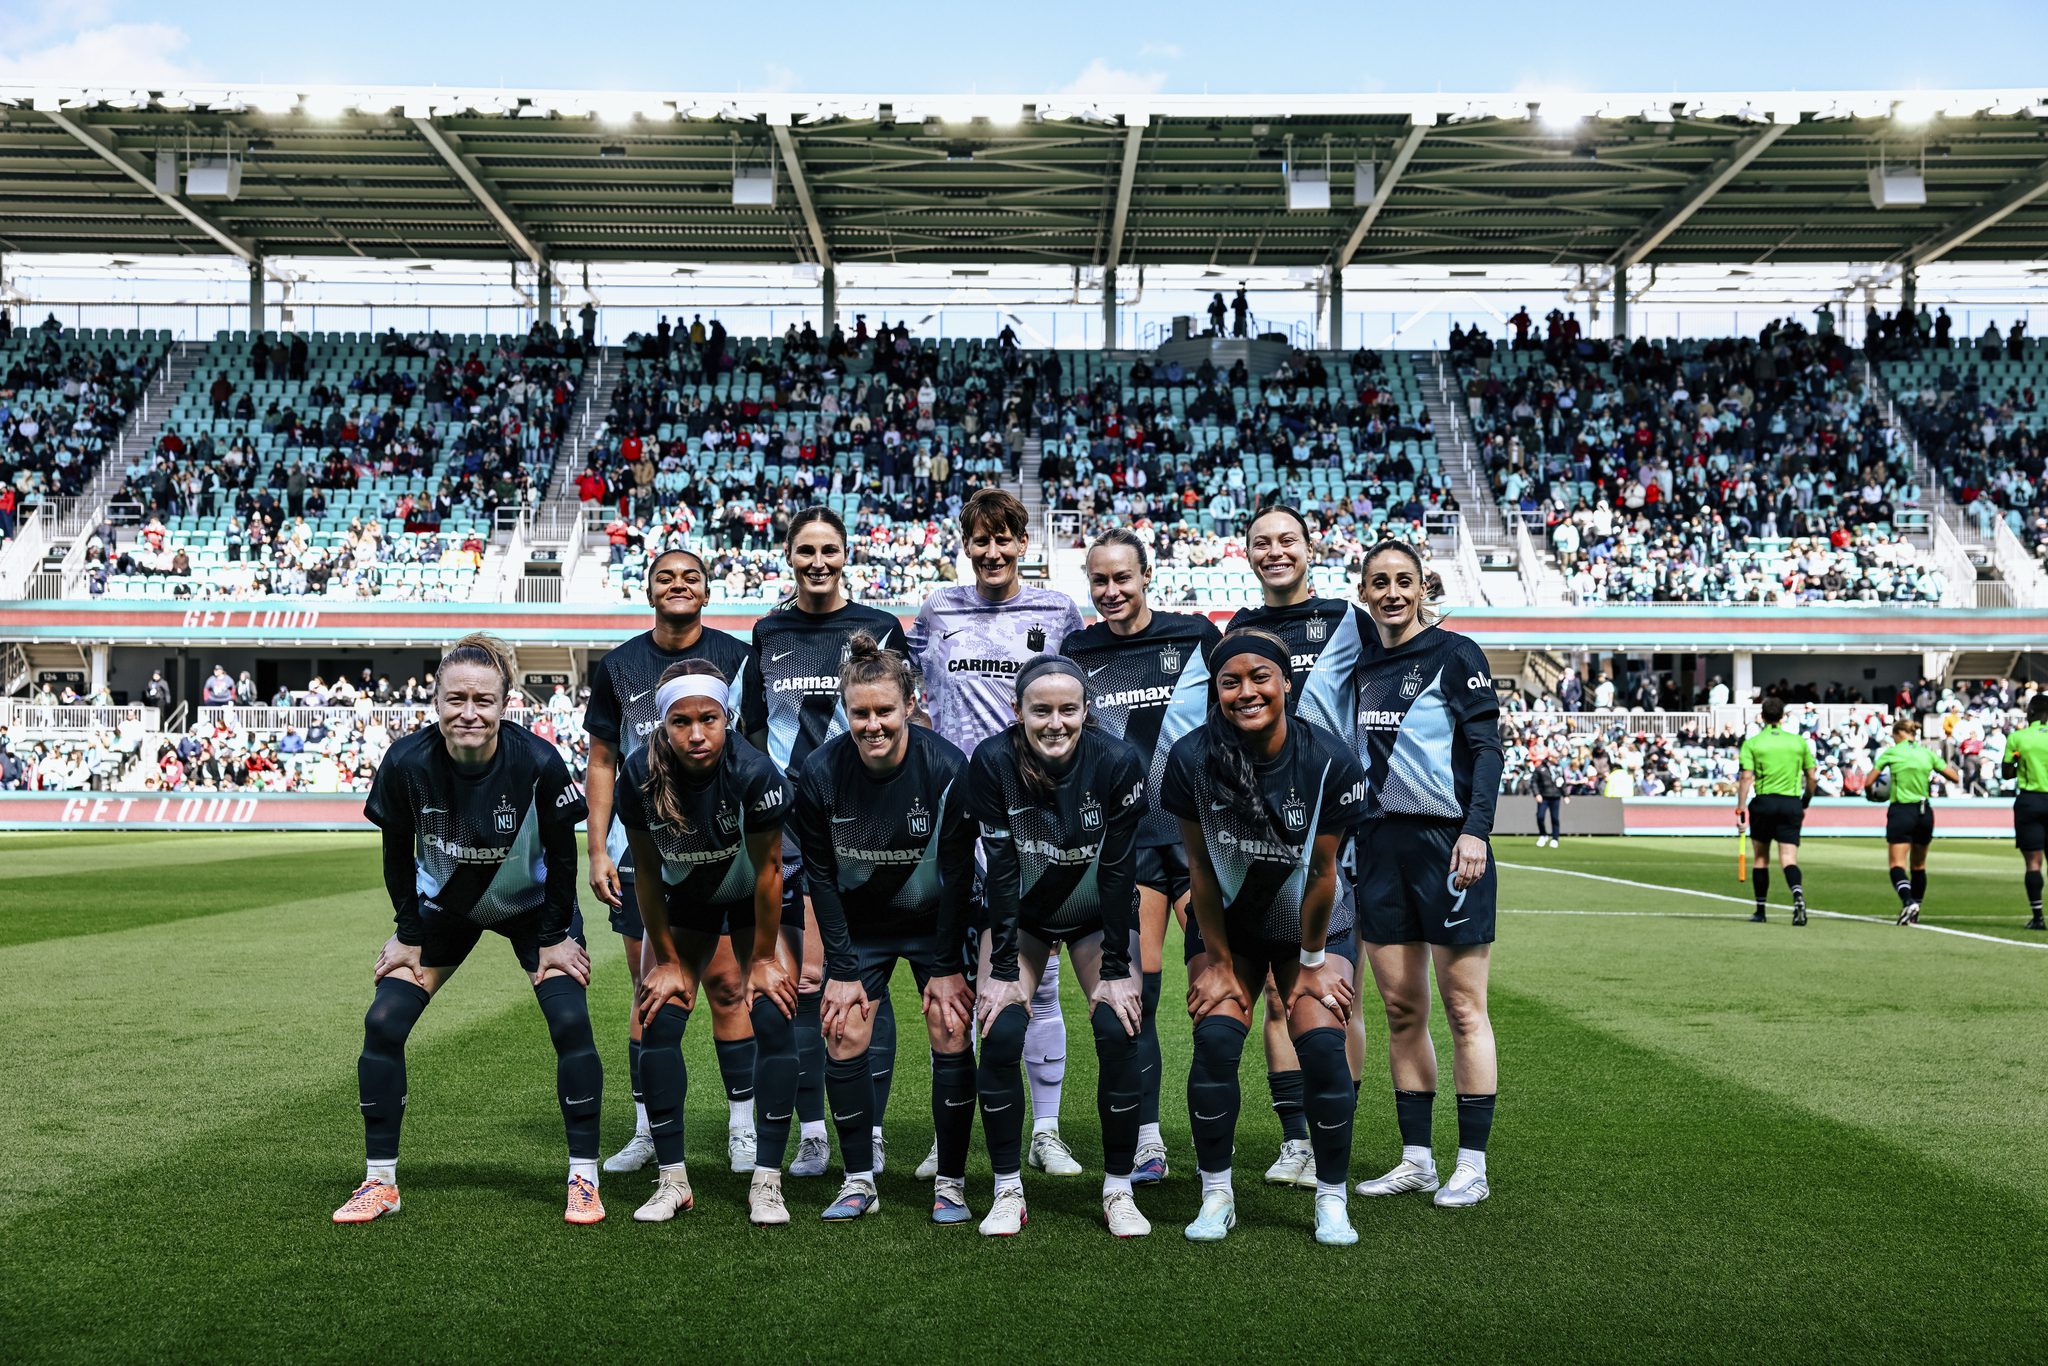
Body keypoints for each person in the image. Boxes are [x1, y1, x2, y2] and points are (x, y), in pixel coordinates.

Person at [335, 633, 603, 1225]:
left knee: (569, 1021)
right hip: (446, 910)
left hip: (534, 910)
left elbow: (562, 858)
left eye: (483, 700)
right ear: (435, 699)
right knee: (382, 1023)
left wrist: (558, 935)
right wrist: (407, 933)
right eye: (456, 699)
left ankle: (583, 1177)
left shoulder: (537, 761)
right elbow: (395, 855)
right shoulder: (406, 762)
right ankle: (380, 1182)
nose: (469, 712)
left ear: (505, 702)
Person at [1163, 629, 1366, 1245]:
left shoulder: (1330, 760)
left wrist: (1309, 964)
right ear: (1217, 691)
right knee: (1217, 1040)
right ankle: (1216, 1193)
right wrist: (1218, 962)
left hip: (1312, 925)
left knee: (1325, 1047)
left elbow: (1324, 872)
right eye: (1230, 682)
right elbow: (1199, 868)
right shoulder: (1191, 759)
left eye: (1260, 678)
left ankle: (1332, 1200)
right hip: (1230, 926)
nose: (1246, 691)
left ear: (1285, 684)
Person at [905, 488, 1085, 1181]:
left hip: (1032, 811)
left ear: (1024, 543)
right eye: (979, 540)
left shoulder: (1058, 611)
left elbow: (1075, 709)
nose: (992, 552)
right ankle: (947, 1131)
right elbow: (903, 687)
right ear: (964, 545)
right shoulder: (937, 610)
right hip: (954, 814)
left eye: (1004, 539)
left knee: (1036, 985)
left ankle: (1045, 1130)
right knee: (946, 981)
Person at [585, 550, 765, 1178]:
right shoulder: (619, 664)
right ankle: (646, 1130)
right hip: (649, 853)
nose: (679, 584)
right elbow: (603, 758)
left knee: (724, 983)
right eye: (667, 576)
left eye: (691, 576)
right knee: (651, 987)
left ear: (708, 591)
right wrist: (598, 845)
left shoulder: (740, 659)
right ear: (649, 590)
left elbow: (754, 752)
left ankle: (742, 1128)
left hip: (721, 849)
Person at [751, 507, 912, 1179]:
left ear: (847, 556)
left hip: (865, 829)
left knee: (864, 982)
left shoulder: (879, 627)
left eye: (829, 550)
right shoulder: (769, 630)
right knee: (803, 987)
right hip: (791, 830)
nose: (818, 561)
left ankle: (868, 1129)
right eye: (805, 550)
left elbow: (903, 722)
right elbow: (756, 734)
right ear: (788, 556)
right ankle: (815, 1132)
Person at [793, 633, 977, 1222]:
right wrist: (841, 970)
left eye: (884, 712)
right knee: (843, 1031)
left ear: (910, 705)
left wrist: (947, 966)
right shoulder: (820, 772)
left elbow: (955, 876)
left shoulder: (946, 766)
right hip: (861, 929)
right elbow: (819, 877)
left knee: (951, 1028)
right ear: (845, 710)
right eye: (860, 713)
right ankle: (857, 1180)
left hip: (933, 925)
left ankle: (950, 1181)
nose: (873, 725)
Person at [965, 656, 1150, 1237]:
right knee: (998, 1030)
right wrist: (1000, 969)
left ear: (1085, 711)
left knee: (1118, 1028)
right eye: (1040, 710)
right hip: (1024, 916)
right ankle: (1006, 1190)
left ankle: (1118, 1190)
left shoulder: (1118, 761)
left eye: (1068, 710)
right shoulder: (992, 761)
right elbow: (998, 869)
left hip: (1097, 914)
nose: (1055, 722)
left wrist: (1117, 967)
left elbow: (1121, 871)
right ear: (1018, 712)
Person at [1347, 540, 1504, 1211]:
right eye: (1379, 583)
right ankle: (1416, 1158)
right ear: (1364, 591)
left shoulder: (1456, 654)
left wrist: (1476, 831)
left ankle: (1472, 1164)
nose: (1391, 593)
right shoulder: (1359, 663)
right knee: (1402, 1008)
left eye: (1402, 582)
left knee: (1465, 1008)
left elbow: (1488, 749)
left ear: (1421, 588)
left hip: (1448, 848)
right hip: (1379, 849)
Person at [1059, 527, 1219, 1183]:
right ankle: (1149, 1139)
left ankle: (1240, 1147)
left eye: (1122, 577)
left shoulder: (1196, 637)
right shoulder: (1079, 650)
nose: (1111, 591)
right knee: (1138, 998)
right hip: (1133, 847)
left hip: (1203, 841)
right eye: (1099, 580)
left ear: (1146, 575)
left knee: (1220, 995)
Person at [620, 660, 801, 1226]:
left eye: (709, 719)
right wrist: (670, 962)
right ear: (662, 724)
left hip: (750, 897)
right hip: (687, 901)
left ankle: (767, 1182)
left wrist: (765, 960)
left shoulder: (757, 775)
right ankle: (673, 1180)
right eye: (680, 722)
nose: (696, 735)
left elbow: (770, 871)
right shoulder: (638, 774)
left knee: (773, 1012)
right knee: (659, 1015)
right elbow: (646, 873)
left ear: (728, 718)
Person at [1227, 504, 1363, 1188]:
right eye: (1262, 543)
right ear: (1247, 554)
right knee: (1279, 997)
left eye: (1287, 540)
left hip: (1340, 825)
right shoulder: (1240, 632)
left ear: (1311, 549)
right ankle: (1294, 1141)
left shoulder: (1349, 619)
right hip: (1266, 834)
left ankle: (1339, 1130)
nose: (1275, 551)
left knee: (1337, 995)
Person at [1735, 696, 1818, 925]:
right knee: (1789, 858)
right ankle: (1797, 895)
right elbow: (1811, 777)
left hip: (1764, 803)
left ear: (1762, 717)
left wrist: (1741, 808)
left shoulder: (1752, 743)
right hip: (1791, 803)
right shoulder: (1798, 742)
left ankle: (1760, 910)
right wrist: (1806, 800)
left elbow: (1746, 777)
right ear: (1783, 717)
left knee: (1761, 858)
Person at [1869, 718, 1959, 926]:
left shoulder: (1892, 753)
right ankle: (1916, 910)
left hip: (1902, 810)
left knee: (1896, 865)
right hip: (1924, 811)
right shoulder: (1926, 753)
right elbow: (1953, 777)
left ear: (1899, 733)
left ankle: (1908, 902)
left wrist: (1871, 795)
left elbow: (1868, 781)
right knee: (1919, 865)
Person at [2001, 693, 2048, 930]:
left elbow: (2007, 773)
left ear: (2031, 713)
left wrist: (2019, 762)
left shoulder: (2018, 737)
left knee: (2033, 863)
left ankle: (2038, 916)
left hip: (2030, 800)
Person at [1532, 751, 1563, 848]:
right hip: (1544, 796)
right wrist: (1537, 794)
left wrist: (1566, 794)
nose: (1557, 760)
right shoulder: (1540, 768)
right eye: (1555, 757)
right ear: (1550, 758)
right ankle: (1543, 834)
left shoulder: (1559, 768)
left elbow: (1563, 781)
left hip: (1555, 796)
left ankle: (1555, 838)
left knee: (1555, 818)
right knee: (1540, 816)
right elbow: (1534, 782)